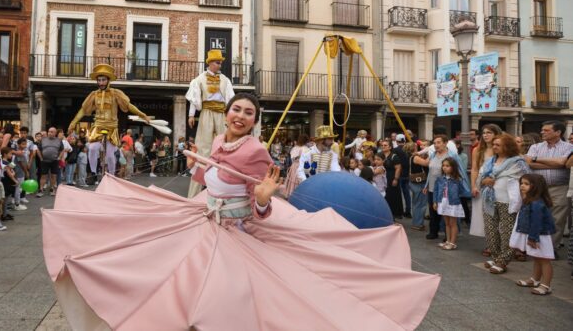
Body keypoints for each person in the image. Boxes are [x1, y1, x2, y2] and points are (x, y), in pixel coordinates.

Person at [43, 92, 441, 329]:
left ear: (254, 122)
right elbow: (208, 175)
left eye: (248, 113)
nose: (239, 116)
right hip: (201, 214)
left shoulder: (256, 150)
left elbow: (257, 206)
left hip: (233, 228)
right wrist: (196, 163)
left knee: (223, 295)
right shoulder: (218, 139)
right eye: (236, 110)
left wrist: (265, 197)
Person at [68, 64, 150, 178]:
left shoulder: (116, 93)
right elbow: (83, 110)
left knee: (110, 155)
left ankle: (111, 175)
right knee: (92, 148)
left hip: (112, 127)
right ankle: (93, 172)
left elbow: (129, 106)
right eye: (99, 80)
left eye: (103, 80)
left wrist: (143, 115)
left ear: (108, 80)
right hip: (98, 126)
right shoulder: (94, 94)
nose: (101, 83)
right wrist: (73, 122)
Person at [185, 49, 235, 197]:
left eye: (220, 62)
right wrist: (191, 115)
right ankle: (193, 195)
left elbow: (231, 100)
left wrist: (231, 118)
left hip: (221, 114)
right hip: (206, 113)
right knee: (202, 150)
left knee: (224, 149)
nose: (220, 65)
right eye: (217, 62)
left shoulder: (225, 80)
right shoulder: (199, 79)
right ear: (210, 63)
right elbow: (195, 98)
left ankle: (223, 190)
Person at [479, 134, 529, 274]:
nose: (494, 147)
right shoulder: (490, 161)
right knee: (490, 230)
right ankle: (496, 257)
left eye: (498, 144)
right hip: (489, 200)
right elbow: (481, 179)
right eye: (493, 144)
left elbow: (527, 179)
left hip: (508, 201)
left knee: (507, 232)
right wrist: (485, 181)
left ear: (507, 146)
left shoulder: (517, 162)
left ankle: (503, 261)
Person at [524, 120, 573, 252]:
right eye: (542, 130)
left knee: (557, 219)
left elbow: (563, 163)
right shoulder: (535, 147)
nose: (542, 132)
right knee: (537, 216)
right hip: (539, 188)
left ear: (558, 132)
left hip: (559, 187)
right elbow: (528, 163)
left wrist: (536, 160)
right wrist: (555, 163)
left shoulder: (569, 147)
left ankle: (551, 249)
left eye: (546, 130)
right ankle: (536, 246)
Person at [510, 174, 556, 295]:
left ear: (536, 187)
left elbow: (536, 222)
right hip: (535, 235)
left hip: (540, 236)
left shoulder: (536, 204)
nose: (522, 186)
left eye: (526, 184)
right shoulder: (530, 200)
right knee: (537, 258)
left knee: (544, 260)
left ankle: (546, 285)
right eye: (521, 183)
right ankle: (535, 280)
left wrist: (533, 238)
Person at [470, 124, 502, 255]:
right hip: (482, 184)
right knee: (485, 215)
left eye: (489, 132)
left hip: (498, 182)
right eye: (484, 133)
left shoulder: (501, 149)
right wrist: (473, 186)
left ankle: (501, 244)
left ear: (496, 134)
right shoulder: (478, 150)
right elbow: (475, 169)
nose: (485, 135)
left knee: (499, 214)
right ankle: (490, 244)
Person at [433, 158, 466, 250]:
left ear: (453, 167)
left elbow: (462, 191)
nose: (445, 168)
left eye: (447, 166)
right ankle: (447, 240)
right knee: (446, 223)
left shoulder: (457, 179)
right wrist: (435, 201)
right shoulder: (440, 179)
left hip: (453, 203)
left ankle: (452, 242)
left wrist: (456, 193)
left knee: (453, 223)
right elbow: (436, 190)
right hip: (443, 201)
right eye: (443, 166)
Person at [37, 127, 65, 197]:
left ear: (55, 133)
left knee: (53, 176)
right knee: (43, 176)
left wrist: (59, 157)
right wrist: (40, 158)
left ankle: (52, 189)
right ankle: (41, 190)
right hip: (44, 161)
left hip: (54, 161)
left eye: (52, 132)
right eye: (49, 131)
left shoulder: (59, 140)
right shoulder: (43, 140)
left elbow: (62, 150)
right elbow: (38, 149)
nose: (50, 133)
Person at [380, 138, 403, 219]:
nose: (383, 146)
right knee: (384, 195)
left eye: (385, 145)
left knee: (393, 195)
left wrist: (396, 179)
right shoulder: (380, 155)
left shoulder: (394, 156)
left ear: (390, 147)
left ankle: (394, 213)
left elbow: (398, 168)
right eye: (382, 145)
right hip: (382, 178)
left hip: (391, 177)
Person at [407, 140, 428, 231]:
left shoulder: (411, 157)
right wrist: (431, 154)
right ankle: (418, 223)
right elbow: (426, 163)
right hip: (419, 183)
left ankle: (416, 222)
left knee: (416, 203)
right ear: (414, 148)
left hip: (414, 182)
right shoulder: (415, 157)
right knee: (420, 204)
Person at [283, 134, 309, 198]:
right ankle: (300, 194)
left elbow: (292, 158)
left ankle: (292, 193)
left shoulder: (295, 148)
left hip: (295, 166)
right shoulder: (306, 149)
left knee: (294, 180)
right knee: (299, 180)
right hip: (301, 166)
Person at [394, 134, 412, 218]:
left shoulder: (395, 150)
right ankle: (408, 211)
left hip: (399, 174)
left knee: (398, 194)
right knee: (407, 194)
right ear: (404, 140)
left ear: (396, 141)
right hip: (407, 174)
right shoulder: (408, 149)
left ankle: (399, 212)